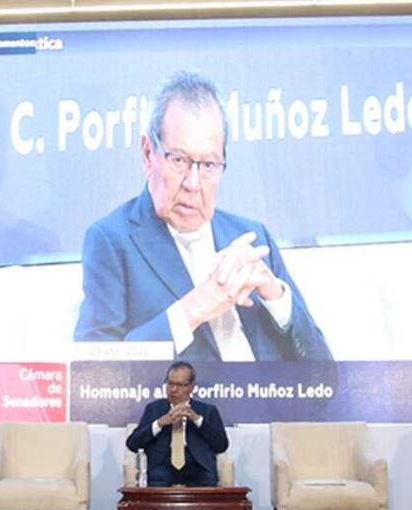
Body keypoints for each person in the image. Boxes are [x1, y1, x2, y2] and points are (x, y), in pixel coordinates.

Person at [74, 70, 332, 362]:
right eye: (180, 161)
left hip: (273, 407)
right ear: (148, 154)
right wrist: (195, 308)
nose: (193, 183)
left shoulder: (252, 238)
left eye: (209, 165)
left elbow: (324, 380)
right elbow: (92, 375)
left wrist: (276, 298)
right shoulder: (112, 241)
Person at [126, 361, 229, 510]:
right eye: (170, 384)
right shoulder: (154, 409)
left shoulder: (207, 411)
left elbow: (221, 445)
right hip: (164, 466)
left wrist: (197, 420)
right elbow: (133, 443)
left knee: (208, 484)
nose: (173, 389)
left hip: (197, 467)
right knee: (158, 487)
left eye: (180, 385)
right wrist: (160, 423)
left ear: (192, 386)